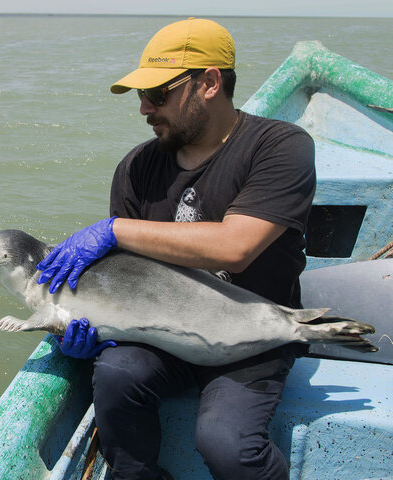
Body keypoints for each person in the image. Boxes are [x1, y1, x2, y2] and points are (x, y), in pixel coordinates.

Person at [36, 18, 316, 480]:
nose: (144, 108)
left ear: (208, 83)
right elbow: (119, 277)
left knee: (225, 443)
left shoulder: (279, 147)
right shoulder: (137, 167)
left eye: (158, 94)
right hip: (160, 335)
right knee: (115, 376)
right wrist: (81, 327)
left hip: (251, 338)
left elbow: (235, 246)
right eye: (141, 96)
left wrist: (115, 229)